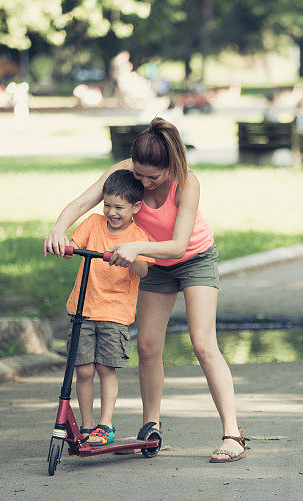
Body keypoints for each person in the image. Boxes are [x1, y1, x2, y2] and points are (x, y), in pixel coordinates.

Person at [44, 117, 249, 463]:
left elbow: (179, 245)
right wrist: (58, 230)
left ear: (171, 165)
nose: (144, 182)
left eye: (152, 177)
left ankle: (233, 434)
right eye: (139, 174)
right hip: (151, 263)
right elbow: (82, 203)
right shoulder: (128, 171)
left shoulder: (187, 183)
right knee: (148, 345)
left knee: (202, 343)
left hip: (191, 258)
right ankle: (150, 425)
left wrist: (138, 247)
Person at [64, 169, 154, 446]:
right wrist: (60, 243)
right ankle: (87, 425)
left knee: (105, 369)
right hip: (84, 311)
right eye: (107, 205)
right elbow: (72, 244)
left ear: (135, 207)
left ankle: (105, 424)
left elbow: (143, 271)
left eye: (119, 207)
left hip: (114, 314)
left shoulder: (138, 237)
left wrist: (131, 258)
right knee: (84, 370)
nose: (111, 213)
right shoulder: (93, 223)